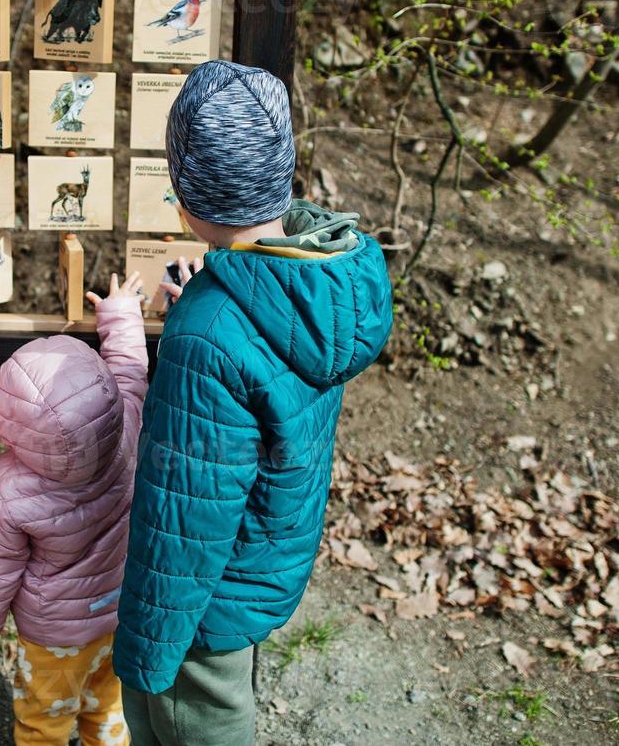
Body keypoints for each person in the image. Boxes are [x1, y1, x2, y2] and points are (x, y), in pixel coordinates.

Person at [114, 60, 394, 745]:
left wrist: (148, 646)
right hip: (268, 554)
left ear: (185, 194)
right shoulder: (322, 276)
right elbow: (266, 378)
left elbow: (185, 520)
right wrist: (212, 313)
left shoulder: (208, 333)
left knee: (195, 720)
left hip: (202, 602)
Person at [0, 273, 149, 746]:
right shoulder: (128, 424)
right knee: (108, 707)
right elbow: (128, 369)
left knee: (43, 719)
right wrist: (122, 311)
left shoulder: (10, 486)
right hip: (121, 609)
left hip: (52, 633)